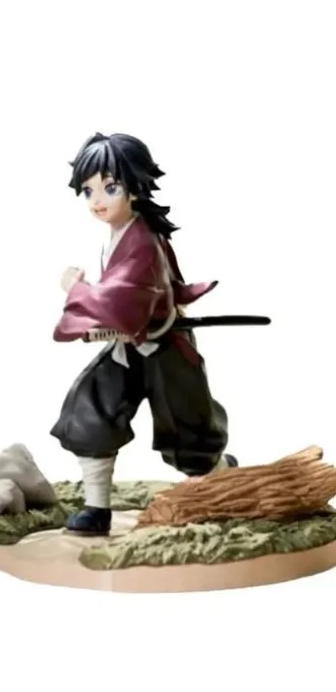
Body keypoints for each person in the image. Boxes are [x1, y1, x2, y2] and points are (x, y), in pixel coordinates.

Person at [50, 132, 235, 536]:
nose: (97, 200)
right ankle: (97, 508)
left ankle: (221, 483)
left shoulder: (143, 240)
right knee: (91, 411)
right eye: (89, 191)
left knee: (189, 432)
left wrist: (76, 290)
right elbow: (120, 300)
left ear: (133, 187)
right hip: (128, 347)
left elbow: (122, 299)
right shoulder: (122, 234)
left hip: (164, 348)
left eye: (110, 188)